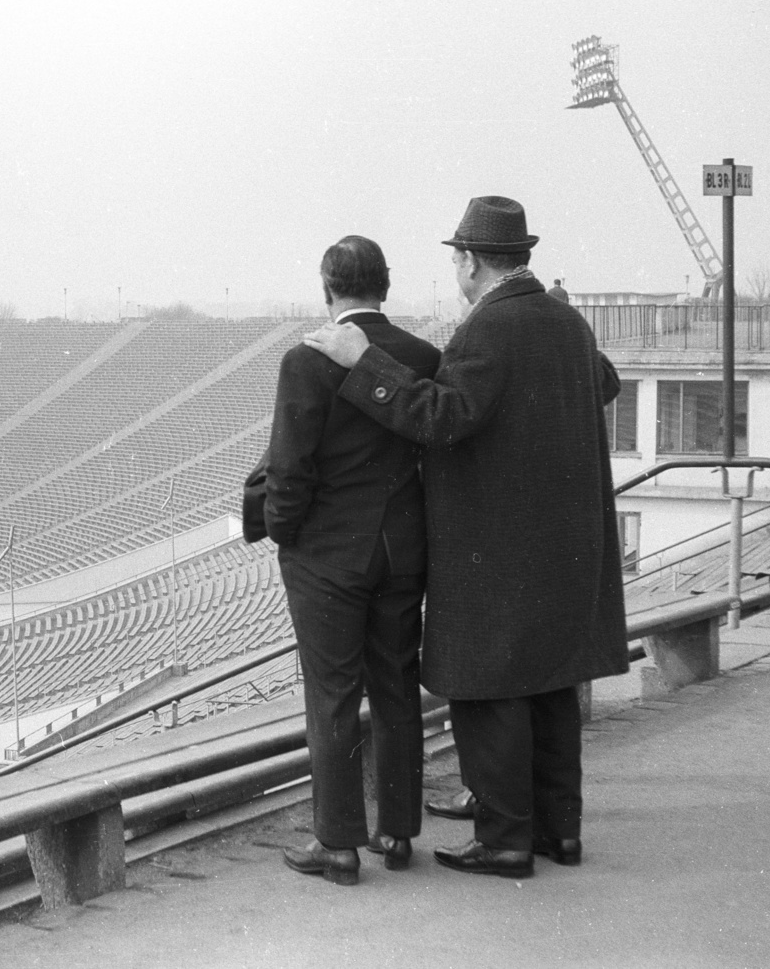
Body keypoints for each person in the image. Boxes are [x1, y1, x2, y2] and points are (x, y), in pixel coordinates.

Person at [303, 196, 629, 880]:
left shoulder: (490, 329)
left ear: (472, 262)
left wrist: (365, 363)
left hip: (499, 543)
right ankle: (557, 832)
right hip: (563, 541)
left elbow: (444, 418)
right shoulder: (565, 320)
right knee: (550, 685)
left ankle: (506, 840)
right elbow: (602, 381)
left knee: (491, 689)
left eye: (457, 258)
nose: (456, 269)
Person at [268, 236, 441, 885]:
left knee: (333, 695)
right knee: (397, 689)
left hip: (329, 561)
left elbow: (288, 469)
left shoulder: (305, 361)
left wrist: (287, 536)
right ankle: (396, 832)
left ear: (326, 287)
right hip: (400, 552)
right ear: (386, 286)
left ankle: (337, 844)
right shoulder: (422, 356)